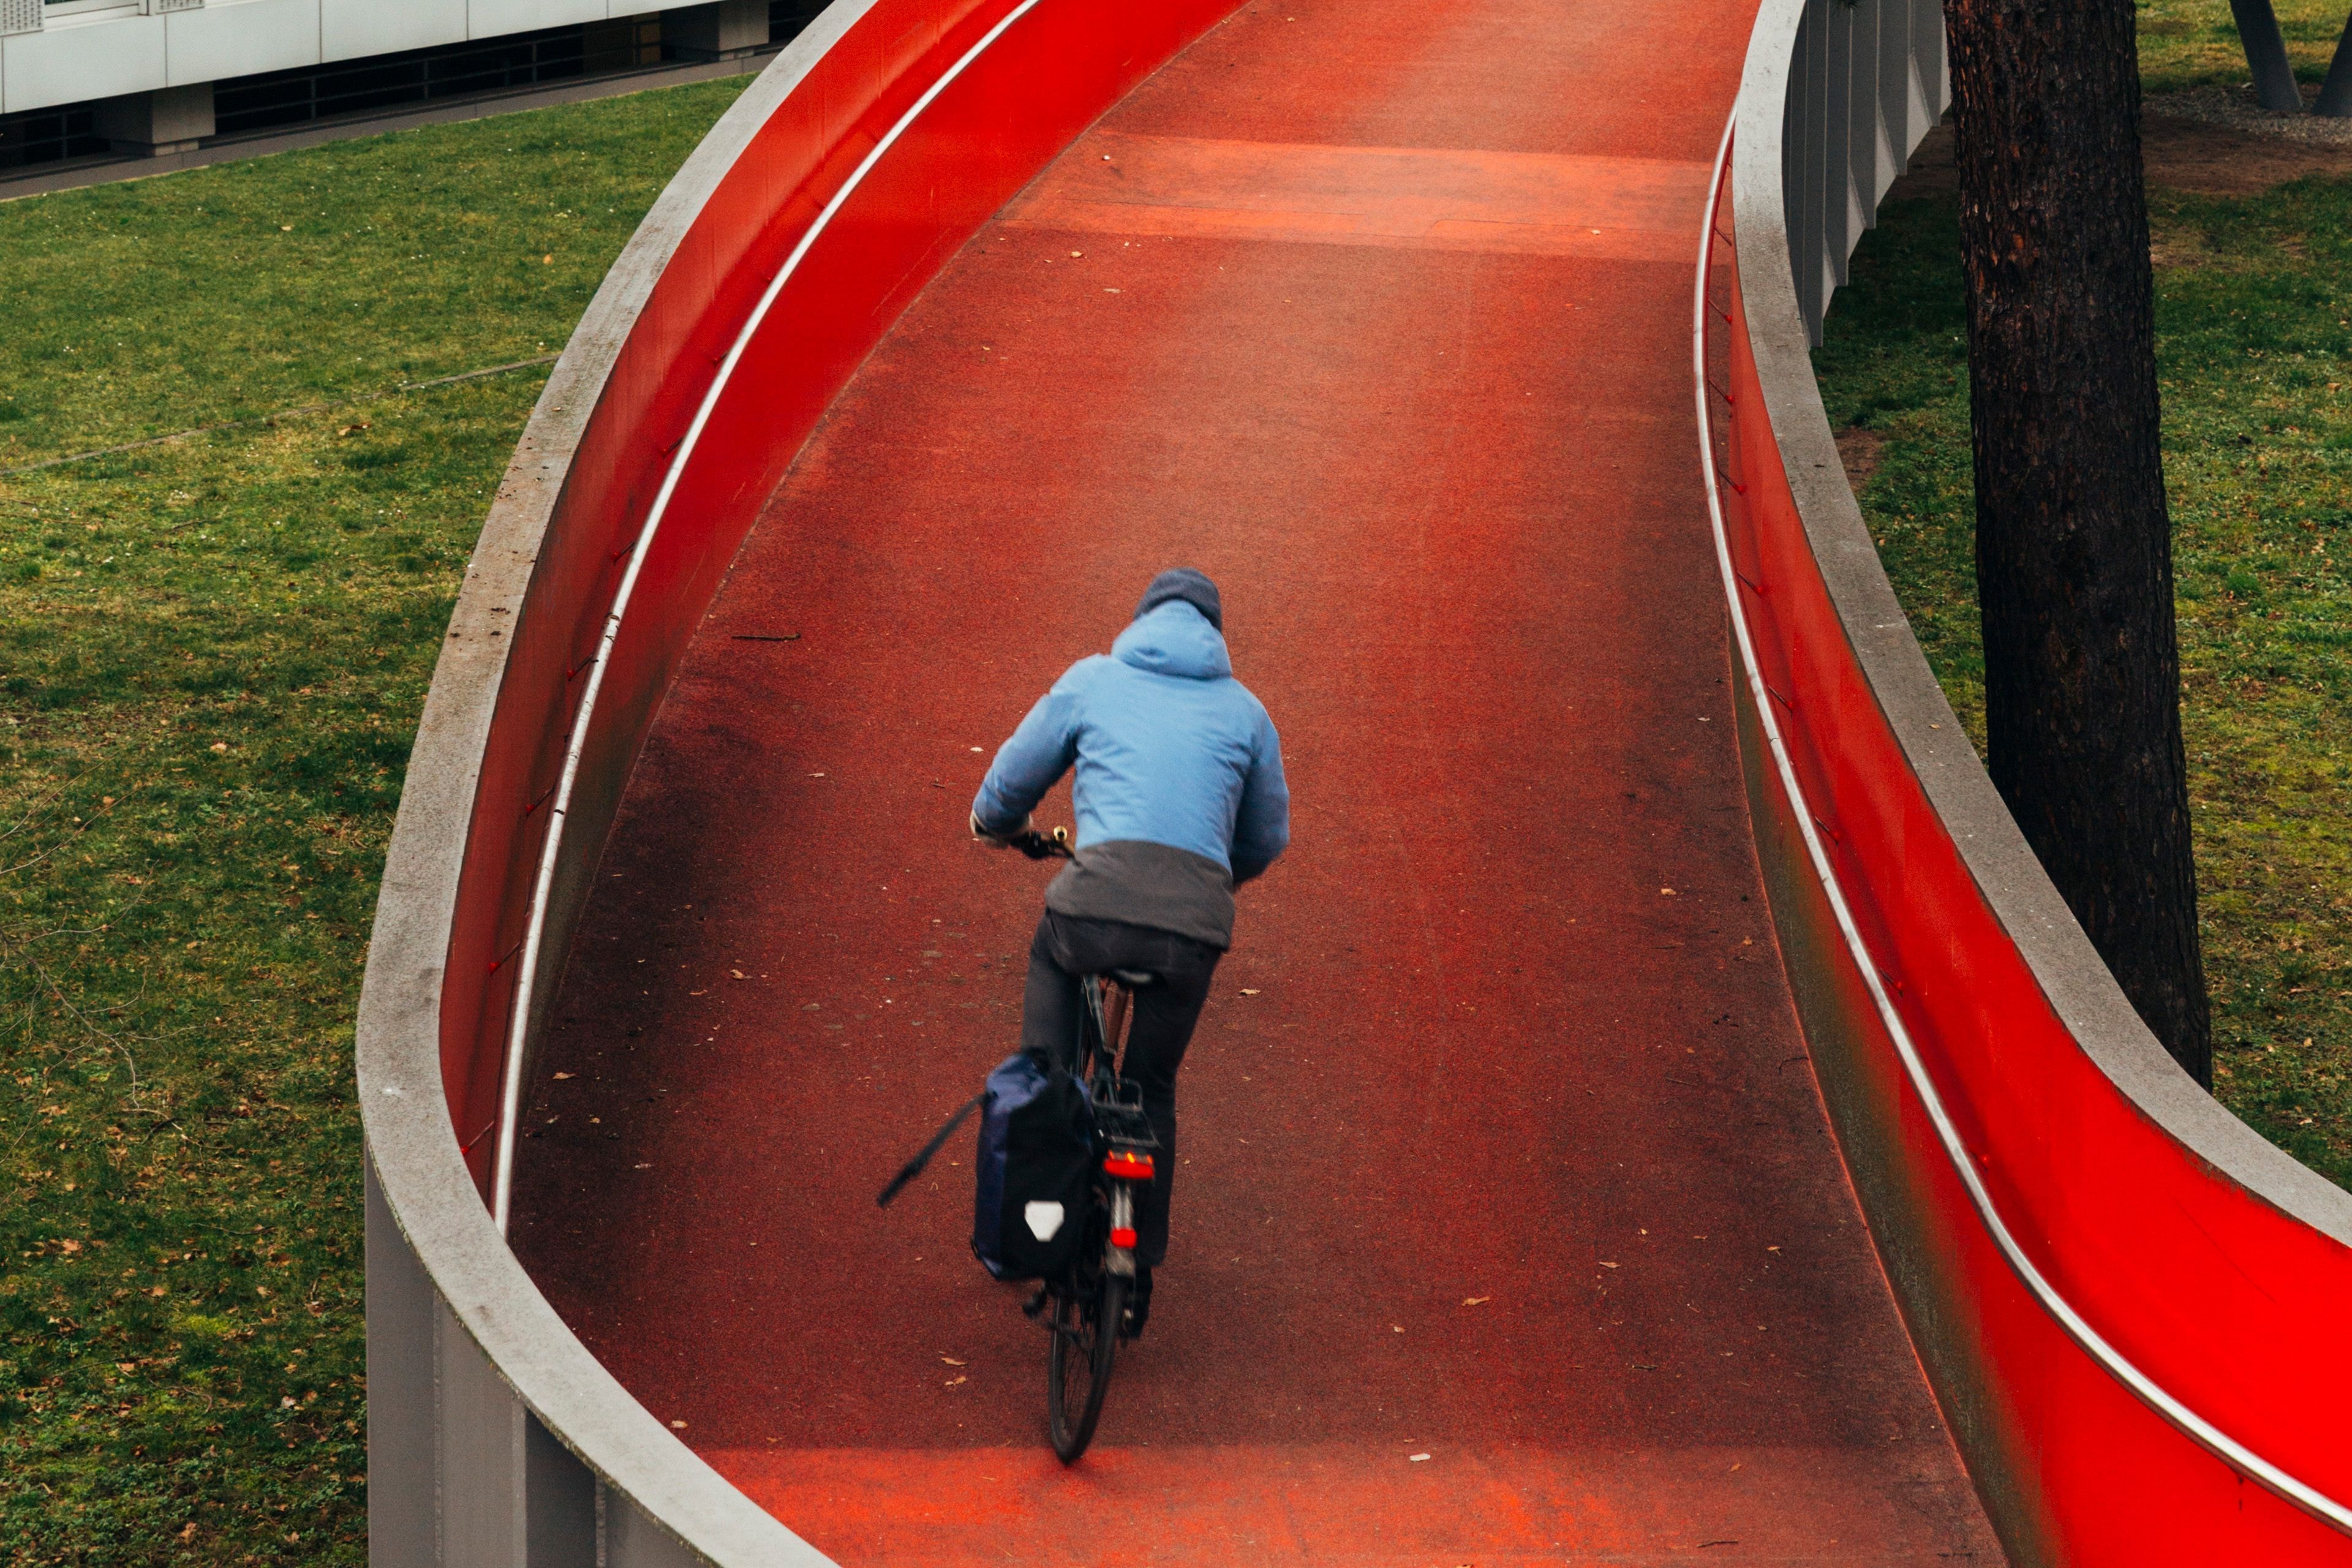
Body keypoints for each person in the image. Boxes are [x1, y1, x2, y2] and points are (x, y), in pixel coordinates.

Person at [970, 568, 1290, 1336]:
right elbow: (1267, 837)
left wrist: (997, 825)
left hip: (1092, 909)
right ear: (1215, 634)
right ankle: (1135, 1265)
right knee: (1152, 1085)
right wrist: (1214, 882)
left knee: (1052, 991)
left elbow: (1011, 782)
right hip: (1194, 925)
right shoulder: (1247, 713)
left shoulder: (1094, 680)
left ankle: (1042, 1170)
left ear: (1141, 619)